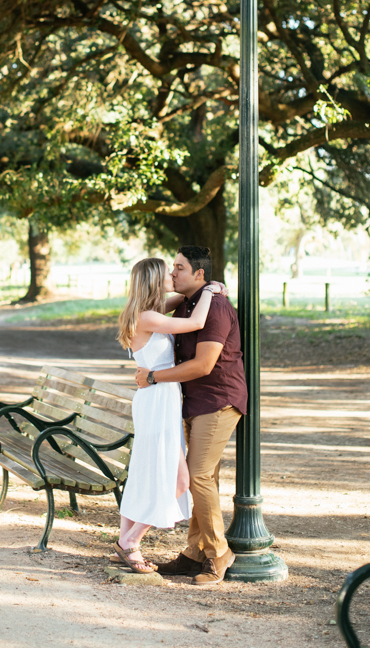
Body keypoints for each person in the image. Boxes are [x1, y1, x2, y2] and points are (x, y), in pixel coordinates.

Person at [136, 246, 248, 586]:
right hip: (193, 403)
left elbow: (203, 365)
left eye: (179, 268)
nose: (173, 274)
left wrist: (153, 377)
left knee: (197, 477)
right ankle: (194, 553)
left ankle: (219, 553)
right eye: (172, 267)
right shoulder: (187, 303)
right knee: (204, 479)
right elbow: (153, 308)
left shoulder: (214, 308)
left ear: (199, 274)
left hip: (218, 401)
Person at [115, 257, 224, 574]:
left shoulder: (148, 312)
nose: (173, 276)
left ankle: (125, 539)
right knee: (177, 480)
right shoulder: (148, 316)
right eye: (167, 273)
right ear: (153, 281)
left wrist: (196, 291)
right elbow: (196, 323)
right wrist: (209, 290)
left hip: (159, 399)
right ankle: (130, 542)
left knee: (147, 473)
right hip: (157, 402)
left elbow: (179, 300)